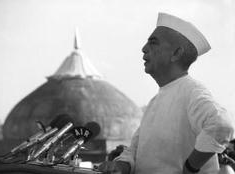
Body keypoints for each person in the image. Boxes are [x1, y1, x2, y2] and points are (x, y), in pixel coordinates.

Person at [98, 12, 235, 174]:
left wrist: (190, 167)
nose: (144, 49)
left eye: (153, 43)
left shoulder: (192, 91)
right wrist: (121, 166)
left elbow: (221, 125)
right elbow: (134, 150)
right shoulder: (156, 101)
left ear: (176, 53)